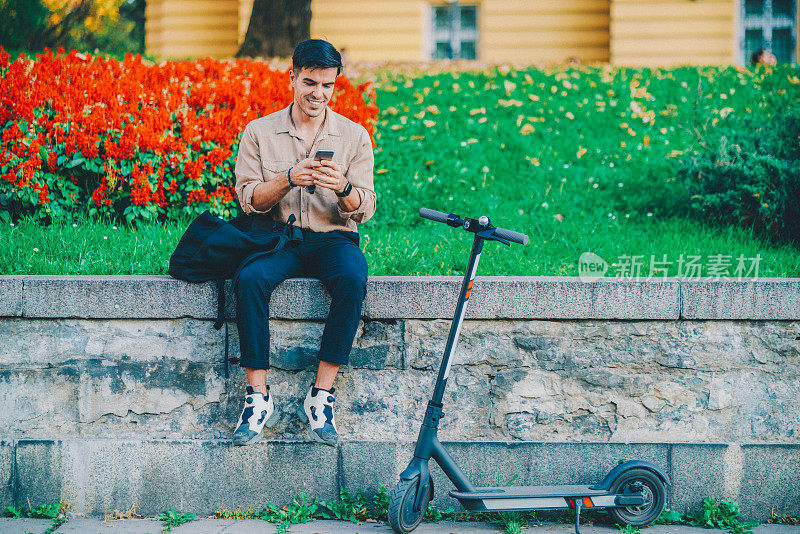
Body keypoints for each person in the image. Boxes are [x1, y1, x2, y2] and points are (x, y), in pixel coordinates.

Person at [231, 39, 376, 447]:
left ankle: (321, 396)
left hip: (334, 238)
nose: (318, 94)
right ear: (292, 77)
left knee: (353, 279)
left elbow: (366, 207)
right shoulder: (259, 132)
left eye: (327, 86)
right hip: (281, 238)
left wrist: (344, 188)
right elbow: (249, 200)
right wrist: (288, 178)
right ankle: (257, 399)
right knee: (249, 280)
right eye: (310, 82)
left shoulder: (354, 135)